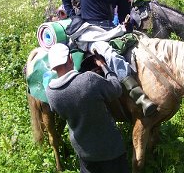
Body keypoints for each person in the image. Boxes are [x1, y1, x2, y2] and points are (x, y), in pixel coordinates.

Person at [59, 0, 158, 117]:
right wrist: (72, 14)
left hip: (109, 28)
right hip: (87, 28)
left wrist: (126, 24)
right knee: (109, 53)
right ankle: (138, 96)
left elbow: (123, 13)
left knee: (139, 44)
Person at [45, 43, 130, 173]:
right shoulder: (88, 79)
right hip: (110, 150)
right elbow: (116, 89)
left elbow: (62, 114)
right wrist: (105, 67)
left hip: (84, 153)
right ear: (70, 59)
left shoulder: (50, 93)